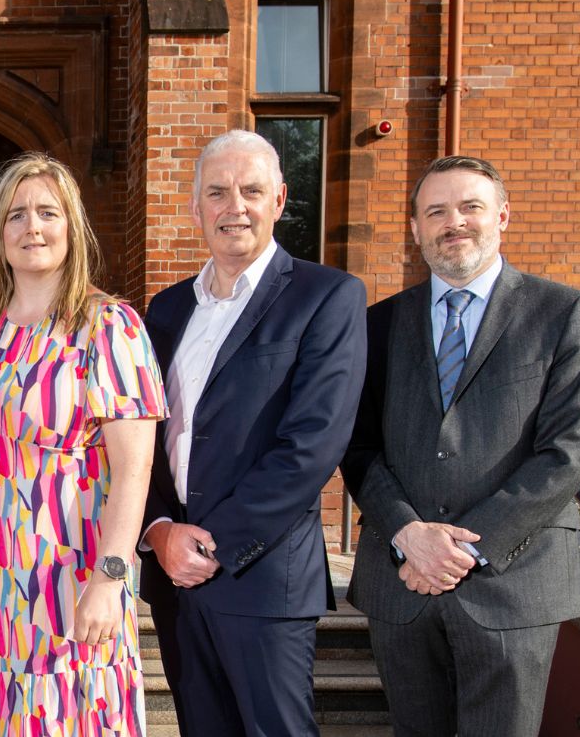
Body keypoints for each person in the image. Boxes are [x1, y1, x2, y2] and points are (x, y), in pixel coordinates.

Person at [341, 155, 580, 737]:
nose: (453, 222)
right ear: (416, 228)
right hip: (402, 579)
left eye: (470, 207)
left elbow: (569, 449)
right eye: (436, 211)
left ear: (502, 216)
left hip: (514, 582)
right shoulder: (378, 324)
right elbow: (357, 447)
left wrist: (460, 550)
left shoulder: (562, 313)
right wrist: (409, 534)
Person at [0, 152, 165, 734]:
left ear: (72, 226)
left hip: (66, 580)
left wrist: (110, 578)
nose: (32, 226)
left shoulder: (109, 326)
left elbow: (134, 469)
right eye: (16, 214)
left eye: (48, 213)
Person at [138, 129, 367, 735]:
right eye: (217, 192)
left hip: (262, 575)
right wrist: (159, 530)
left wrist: (211, 545)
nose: (234, 206)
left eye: (251, 191)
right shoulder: (166, 310)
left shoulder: (326, 297)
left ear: (280, 200)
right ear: (196, 208)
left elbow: (313, 443)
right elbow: (141, 436)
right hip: (174, 576)